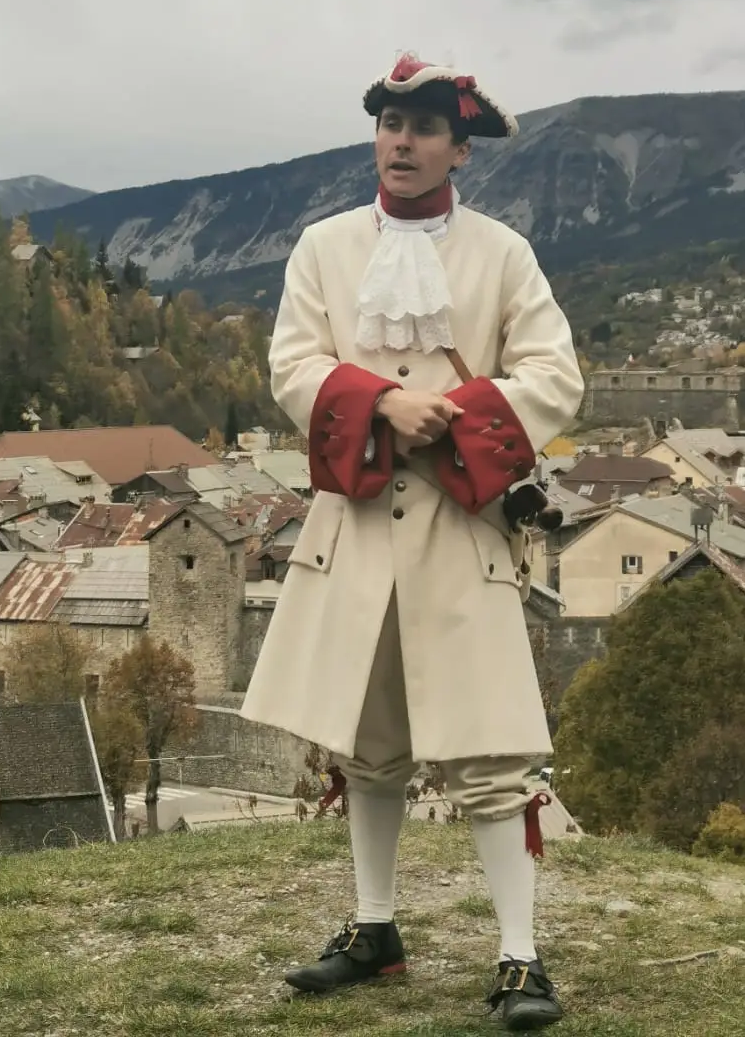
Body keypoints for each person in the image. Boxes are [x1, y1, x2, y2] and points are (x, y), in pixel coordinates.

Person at [241, 53, 584, 1031]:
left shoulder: (504, 255)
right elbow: (293, 365)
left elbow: (554, 379)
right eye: (391, 121)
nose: (401, 139)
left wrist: (459, 416)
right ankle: (375, 928)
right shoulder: (322, 247)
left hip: (458, 529)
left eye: (424, 127)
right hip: (352, 531)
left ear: (457, 149)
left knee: (492, 753)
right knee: (368, 743)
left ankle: (520, 956)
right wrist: (386, 402)